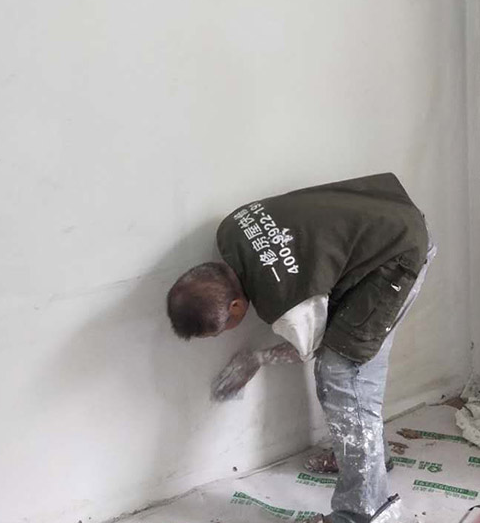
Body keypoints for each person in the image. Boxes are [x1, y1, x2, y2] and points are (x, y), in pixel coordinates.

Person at [166, 173, 435, 523]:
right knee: (353, 374)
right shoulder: (231, 229)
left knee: (341, 376)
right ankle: (368, 460)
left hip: (397, 254)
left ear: (235, 306)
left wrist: (257, 358)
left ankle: (362, 512)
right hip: (385, 211)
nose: (222, 336)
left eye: (220, 331)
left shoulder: (288, 306)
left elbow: (314, 348)